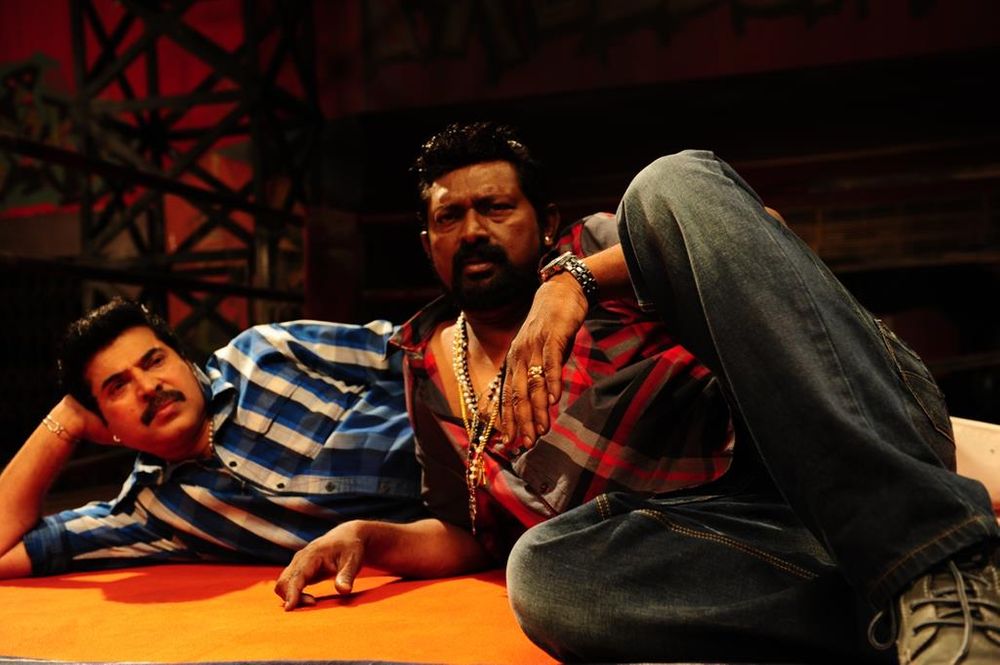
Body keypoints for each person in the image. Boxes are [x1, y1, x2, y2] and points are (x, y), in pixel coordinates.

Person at [275, 123, 999, 663]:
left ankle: (942, 560)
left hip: (827, 437)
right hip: (733, 536)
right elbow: (470, 532)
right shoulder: (425, 366)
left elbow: (758, 237)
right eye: (449, 218)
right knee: (545, 574)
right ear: (427, 243)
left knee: (669, 180)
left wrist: (574, 283)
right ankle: (908, 602)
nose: (473, 231)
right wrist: (370, 537)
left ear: (545, 222)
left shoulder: (596, 246)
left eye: (494, 208)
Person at [0, 298, 426, 578]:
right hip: (438, 551)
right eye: (118, 387)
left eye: (154, 361)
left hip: (463, 458)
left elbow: (418, 353)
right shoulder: (152, 512)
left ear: (185, 360)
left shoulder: (263, 354)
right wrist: (64, 422)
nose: (147, 387)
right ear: (104, 424)